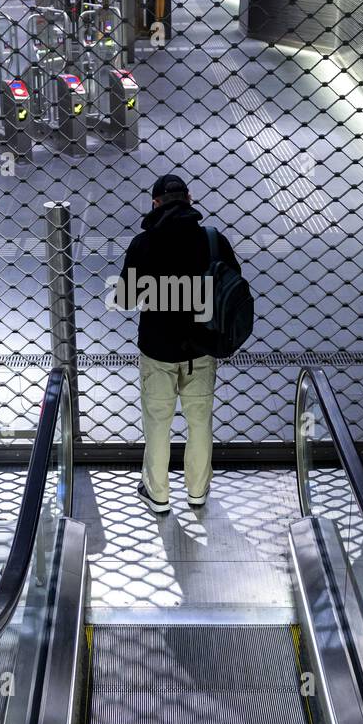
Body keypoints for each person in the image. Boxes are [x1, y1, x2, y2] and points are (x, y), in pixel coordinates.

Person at [116, 174, 241, 514]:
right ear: (189, 199)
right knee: (200, 422)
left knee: (158, 423)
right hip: (201, 348)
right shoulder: (213, 240)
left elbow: (125, 298)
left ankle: (158, 494)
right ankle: (198, 491)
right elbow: (232, 287)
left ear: (155, 203)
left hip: (158, 349)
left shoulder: (143, 244)